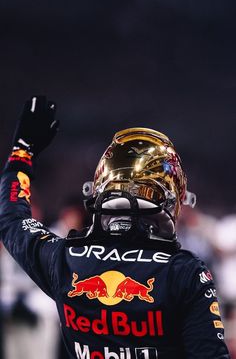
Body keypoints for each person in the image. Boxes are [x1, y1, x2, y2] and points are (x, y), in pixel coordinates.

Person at [0, 95, 230, 359]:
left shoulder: (63, 259)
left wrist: (22, 151)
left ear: (100, 188)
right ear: (170, 197)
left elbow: (12, 219)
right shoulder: (186, 273)